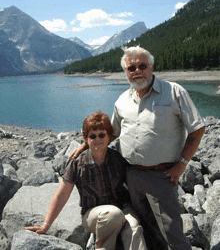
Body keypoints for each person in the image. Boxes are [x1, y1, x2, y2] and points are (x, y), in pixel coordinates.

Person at [71, 46, 205, 250]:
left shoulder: (174, 92)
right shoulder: (123, 100)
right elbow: (112, 132)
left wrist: (182, 164)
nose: (136, 71)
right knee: (147, 228)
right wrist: (86, 144)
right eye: (131, 67)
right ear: (126, 71)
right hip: (131, 174)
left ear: (151, 67)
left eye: (142, 65)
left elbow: (197, 129)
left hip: (163, 174)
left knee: (172, 232)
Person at [24, 111, 147, 250]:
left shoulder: (118, 159)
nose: (97, 139)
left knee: (134, 228)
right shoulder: (77, 163)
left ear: (109, 137)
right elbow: (62, 194)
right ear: (86, 139)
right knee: (113, 214)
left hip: (120, 206)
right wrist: (45, 225)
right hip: (92, 214)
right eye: (92, 136)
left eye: (102, 135)